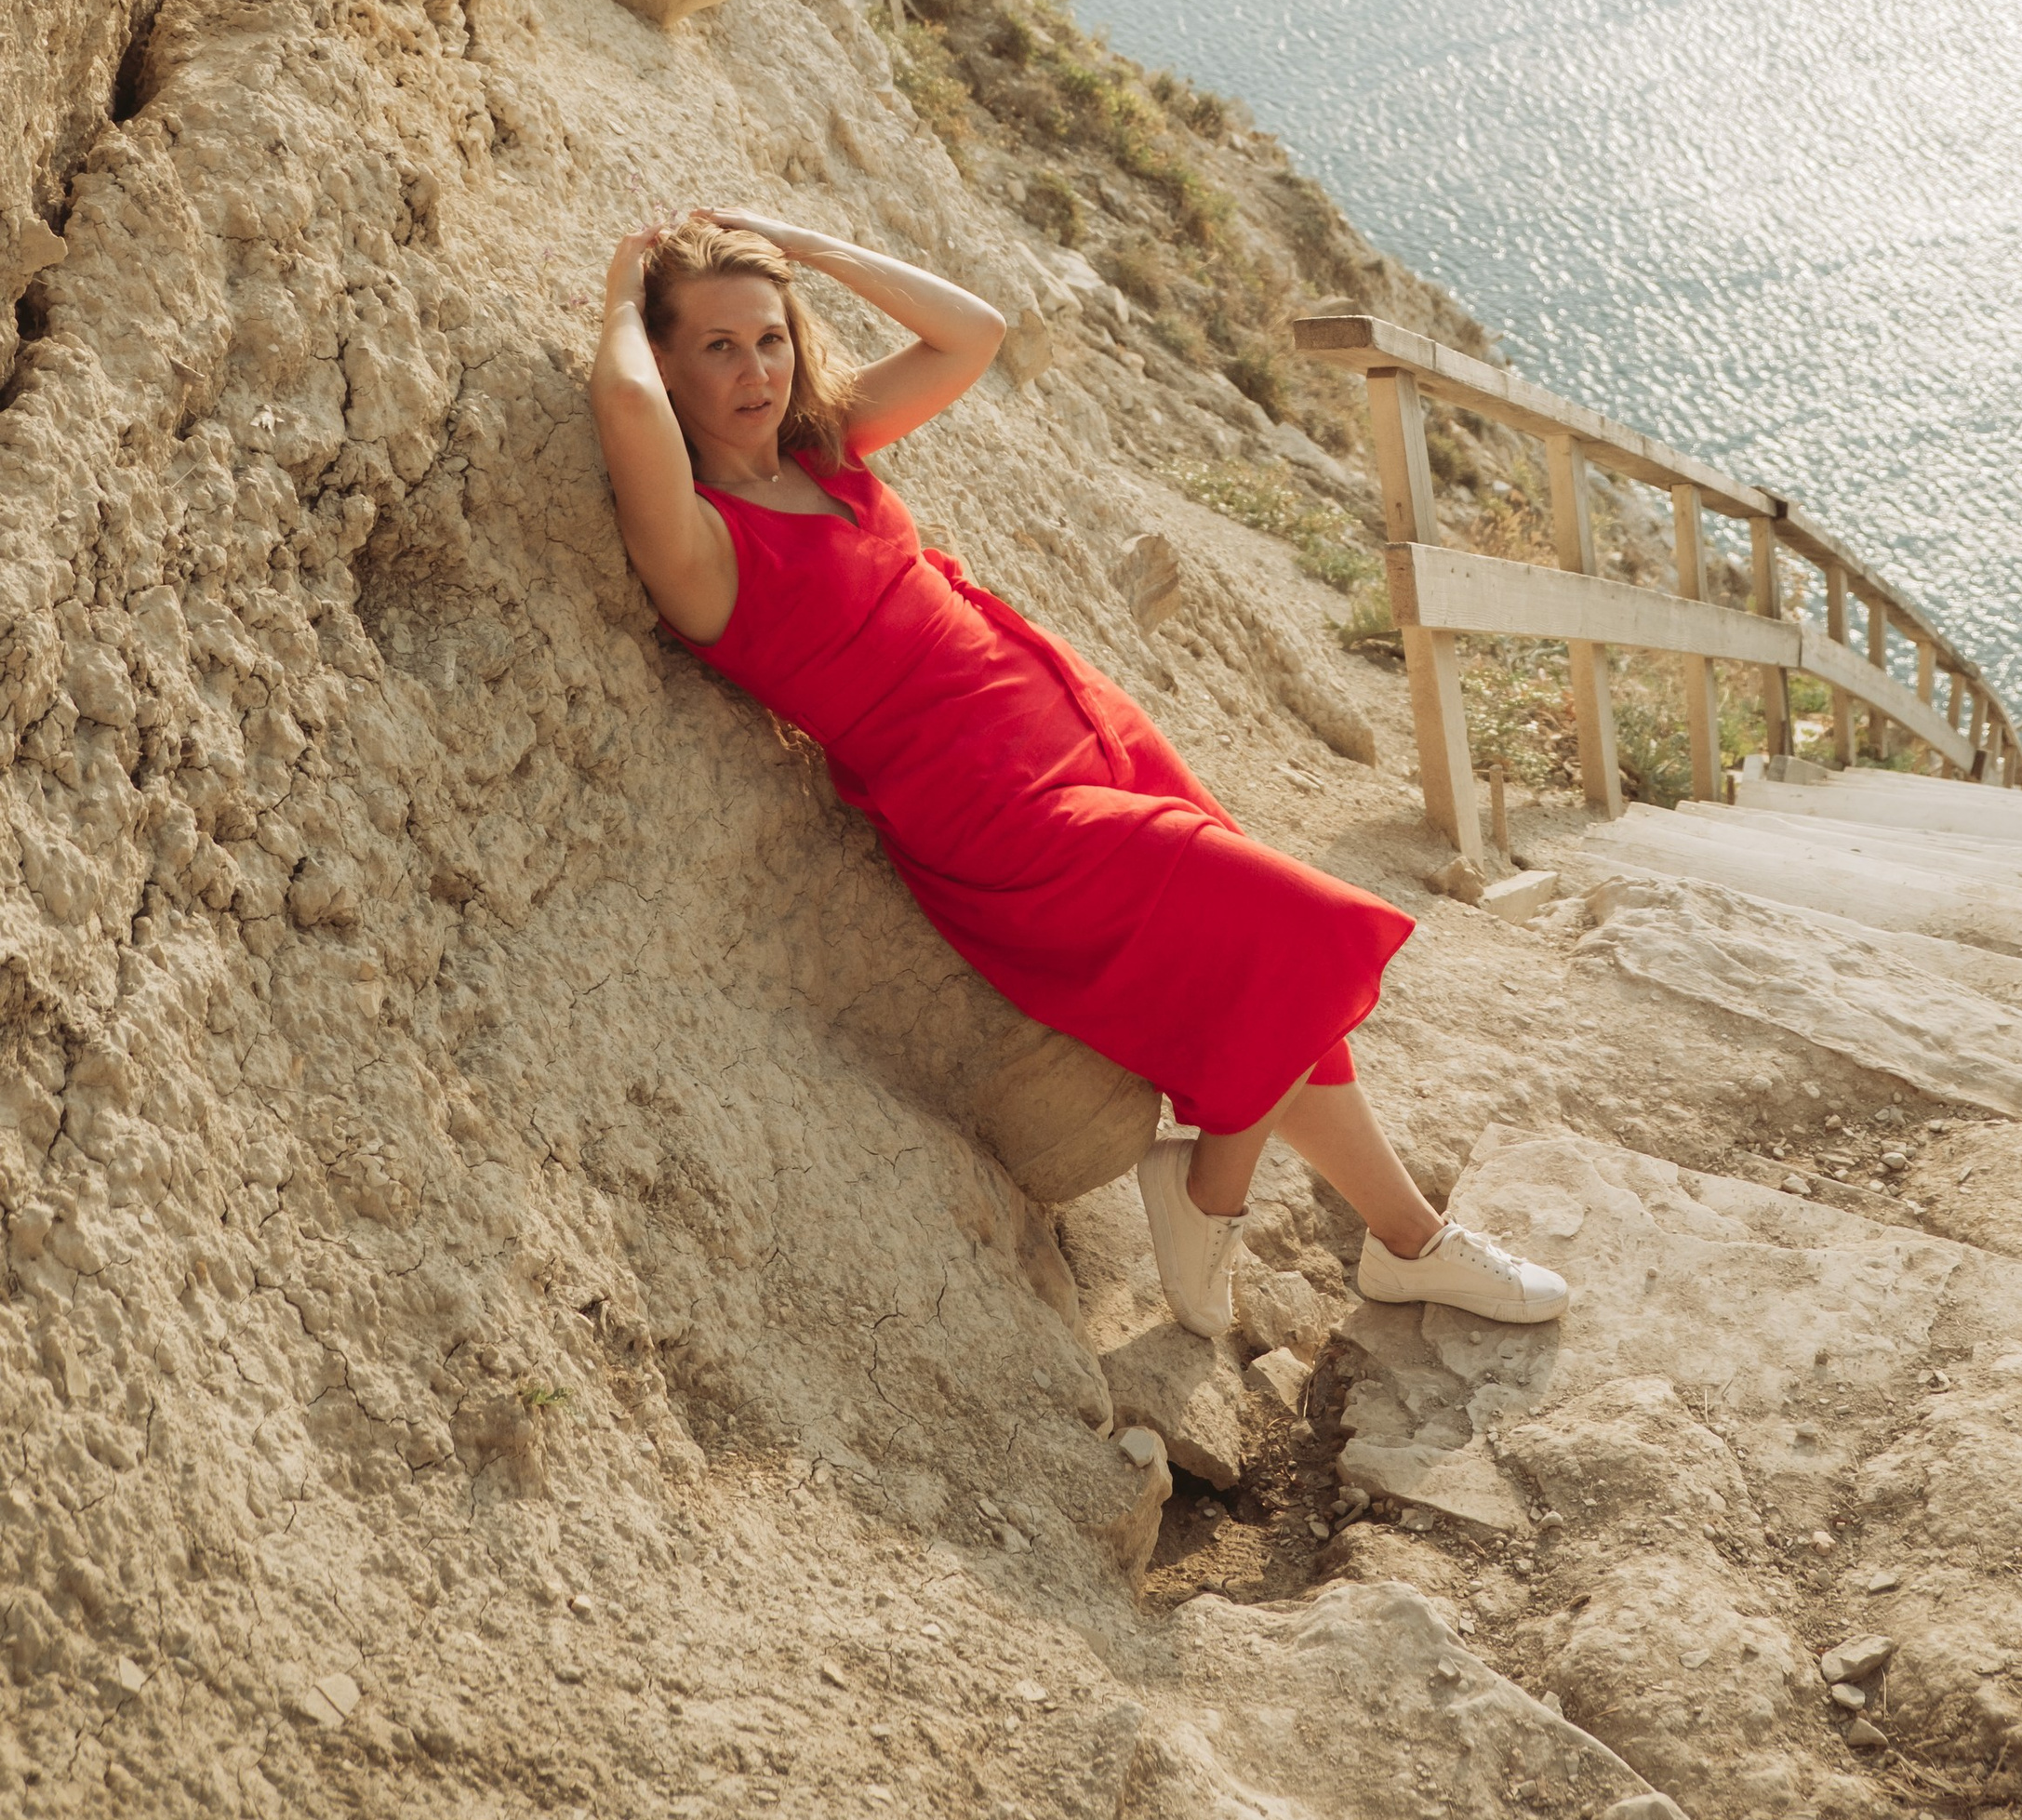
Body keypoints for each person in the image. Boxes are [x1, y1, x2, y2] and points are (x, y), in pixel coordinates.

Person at [589, 206, 1567, 1340]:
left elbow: (973, 332)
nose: (757, 370)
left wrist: (804, 248)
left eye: (770, 339)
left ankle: (1404, 1244)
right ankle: (1215, 1193)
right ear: (664, 360)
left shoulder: (825, 449)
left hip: (1085, 726)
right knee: (1299, 935)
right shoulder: (701, 544)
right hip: (1001, 816)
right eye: (717, 347)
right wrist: (620, 297)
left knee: (1263, 977)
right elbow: (625, 407)